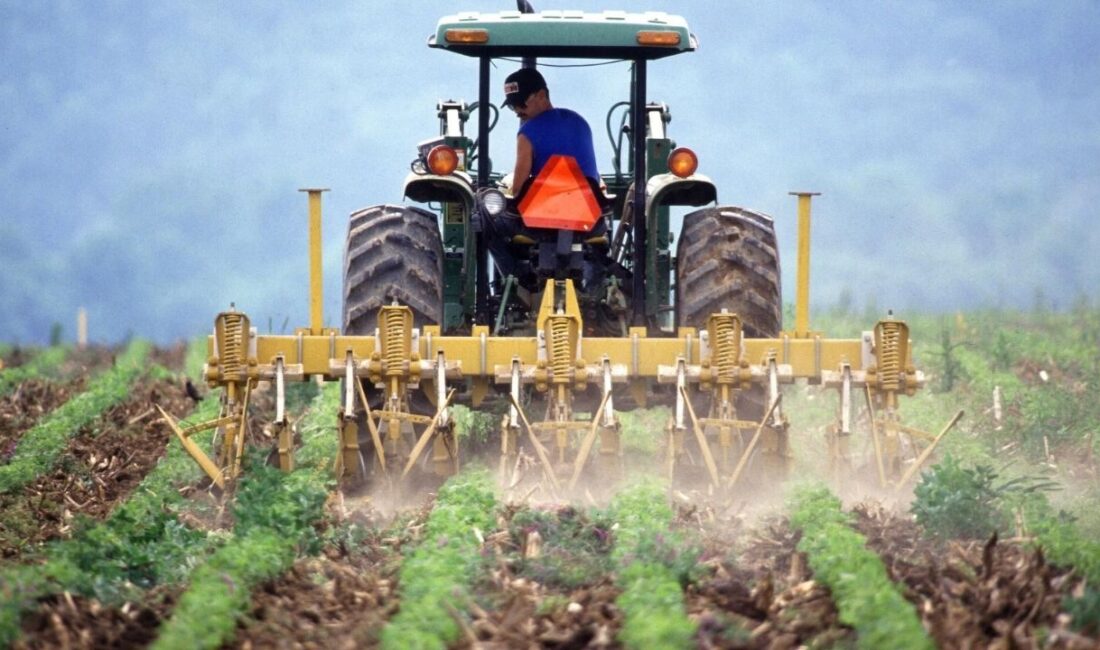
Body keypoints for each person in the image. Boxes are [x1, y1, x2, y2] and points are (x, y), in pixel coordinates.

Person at [501, 67, 600, 200]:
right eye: (512, 106)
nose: (517, 111)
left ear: (542, 95)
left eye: (521, 103)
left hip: (546, 212)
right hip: (590, 210)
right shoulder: (580, 122)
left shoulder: (527, 133)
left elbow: (518, 191)